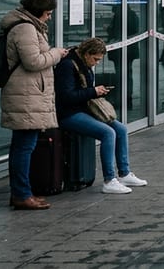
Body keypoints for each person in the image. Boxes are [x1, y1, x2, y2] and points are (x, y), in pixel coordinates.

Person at [0, 0, 68, 210]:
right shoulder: (25, 28)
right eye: (48, 13)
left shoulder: (27, 26)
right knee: (24, 147)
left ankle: (22, 192)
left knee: (23, 145)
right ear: (38, 11)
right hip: (26, 96)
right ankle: (22, 194)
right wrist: (56, 53)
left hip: (27, 94)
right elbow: (33, 61)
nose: (49, 17)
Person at [55, 37, 148, 194]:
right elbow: (66, 96)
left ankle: (124, 173)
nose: (96, 63)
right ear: (86, 54)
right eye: (95, 59)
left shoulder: (83, 63)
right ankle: (109, 180)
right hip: (69, 113)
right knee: (108, 133)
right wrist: (93, 92)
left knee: (121, 129)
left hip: (83, 109)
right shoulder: (67, 66)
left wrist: (95, 92)